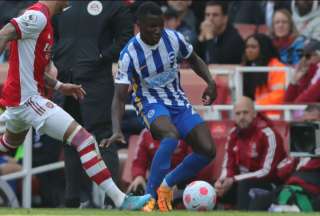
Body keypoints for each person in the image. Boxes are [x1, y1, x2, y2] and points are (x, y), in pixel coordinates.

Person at [0, 0, 150, 210]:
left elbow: (37, 72)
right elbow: (4, 33)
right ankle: (121, 200)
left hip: (19, 102)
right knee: (85, 140)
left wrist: (60, 86)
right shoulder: (38, 16)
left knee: (8, 144)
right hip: (29, 101)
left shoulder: (47, 23)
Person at [101, 1, 217, 212]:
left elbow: (195, 60)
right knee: (170, 136)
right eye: (151, 26)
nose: (157, 31)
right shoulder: (130, 54)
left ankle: (166, 184)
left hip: (178, 101)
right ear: (139, 25)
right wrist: (116, 129)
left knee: (208, 150)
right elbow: (119, 97)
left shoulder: (173, 38)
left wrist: (210, 82)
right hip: (149, 102)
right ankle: (150, 199)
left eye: (160, 25)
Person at [51, 0, 134, 207]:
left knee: (105, 136)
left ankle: (112, 202)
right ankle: (72, 201)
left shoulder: (115, 6)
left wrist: (100, 57)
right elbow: (53, 36)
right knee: (70, 138)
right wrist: (58, 56)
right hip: (66, 77)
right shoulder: (63, 5)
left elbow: (126, 40)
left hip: (97, 80)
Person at [214, 96, 287, 210]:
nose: (242, 117)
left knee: (245, 185)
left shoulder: (268, 134)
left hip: (268, 184)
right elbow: (228, 164)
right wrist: (222, 180)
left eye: (245, 112)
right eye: (238, 114)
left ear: (254, 113)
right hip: (240, 182)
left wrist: (234, 179)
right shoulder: (233, 134)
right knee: (210, 189)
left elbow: (267, 171)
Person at [249, 104, 320, 212]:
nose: (308, 125)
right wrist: (297, 157)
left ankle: (291, 208)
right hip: (290, 189)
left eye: (313, 121)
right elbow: (281, 172)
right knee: (258, 202)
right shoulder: (300, 146)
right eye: (306, 121)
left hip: (312, 192)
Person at [242, 33, 286, 119]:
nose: (249, 50)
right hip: (255, 115)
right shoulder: (247, 68)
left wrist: (254, 105)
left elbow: (279, 95)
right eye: (247, 47)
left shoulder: (277, 68)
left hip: (273, 116)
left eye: (253, 47)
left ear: (263, 48)